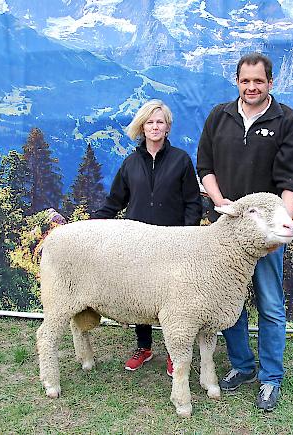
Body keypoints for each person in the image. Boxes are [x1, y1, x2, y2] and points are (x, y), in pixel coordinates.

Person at [196, 53, 293, 411]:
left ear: (270, 83)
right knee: (230, 304)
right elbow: (205, 167)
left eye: (259, 81)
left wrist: (280, 227)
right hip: (225, 232)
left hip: (265, 235)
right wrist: (219, 201)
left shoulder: (286, 120)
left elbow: (291, 181)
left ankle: (270, 377)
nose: (252, 87)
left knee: (271, 305)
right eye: (246, 81)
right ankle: (242, 366)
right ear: (237, 82)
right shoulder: (219, 116)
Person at [93, 99, 202, 377]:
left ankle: (172, 352)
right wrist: (89, 226)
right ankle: (144, 347)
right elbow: (115, 201)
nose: (155, 127)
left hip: (172, 243)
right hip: (137, 244)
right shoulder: (130, 163)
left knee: (173, 299)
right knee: (142, 295)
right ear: (142, 127)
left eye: (160, 122)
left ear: (167, 127)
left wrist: (188, 236)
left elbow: (193, 202)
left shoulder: (181, 160)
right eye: (150, 122)